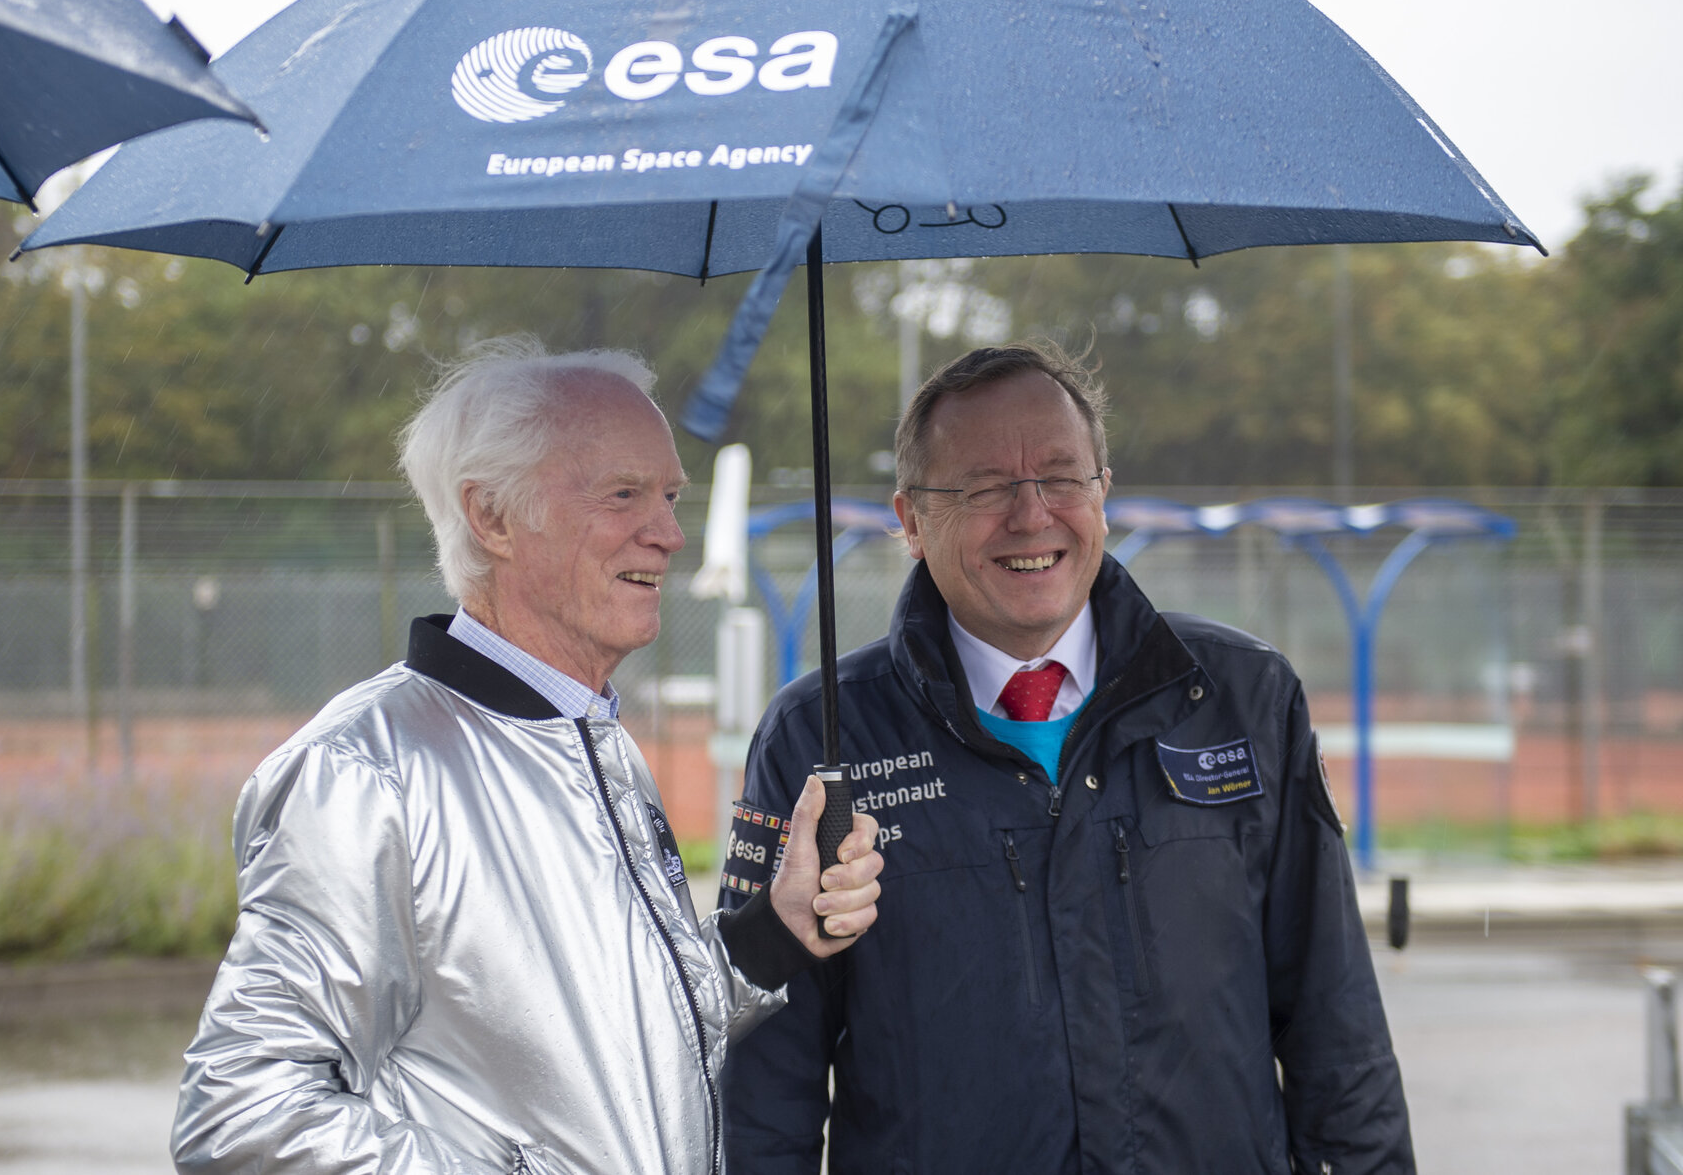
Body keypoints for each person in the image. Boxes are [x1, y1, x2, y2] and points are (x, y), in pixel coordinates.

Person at [173, 339, 883, 1175]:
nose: (669, 533)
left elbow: (597, 1051)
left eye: (669, 496)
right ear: (492, 518)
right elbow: (241, 1115)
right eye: (624, 495)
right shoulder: (362, 775)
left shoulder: (589, 734)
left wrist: (774, 934)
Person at [718, 340, 1412, 1174]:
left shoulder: (1242, 697)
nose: (1032, 512)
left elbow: (1338, 1028)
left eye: (1061, 476)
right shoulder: (819, 737)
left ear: (1104, 493)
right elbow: (764, 1081)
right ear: (909, 521)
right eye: (985, 486)